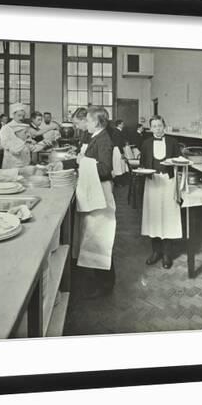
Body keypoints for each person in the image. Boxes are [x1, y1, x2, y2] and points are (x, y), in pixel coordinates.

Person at [74, 106, 117, 297]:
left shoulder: (104, 139)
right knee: (94, 236)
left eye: (89, 121)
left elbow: (106, 168)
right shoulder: (95, 137)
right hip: (96, 191)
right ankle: (100, 280)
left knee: (101, 237)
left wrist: (84, 161)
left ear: (97, 122)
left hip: (102, 192)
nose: (86, 124)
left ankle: (105, 285)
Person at [139, 115, 183, 269]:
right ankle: (156, 252)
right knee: (154, 216)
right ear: (150, 128)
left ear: (164, 126)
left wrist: (174, 162)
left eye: (160, 125)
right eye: (154, 126)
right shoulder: (145, 143)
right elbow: (142, 164)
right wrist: (143, 171)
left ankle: (167, 255)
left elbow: (180, 160)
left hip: (169, 182)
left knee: (168, 217)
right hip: (152, 183)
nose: (157, 129)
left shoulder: (173, 142)